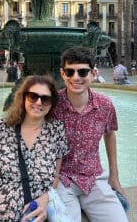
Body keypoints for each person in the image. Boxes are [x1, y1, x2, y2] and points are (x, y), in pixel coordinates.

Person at [0, 75, 68, 221]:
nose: (39, 102)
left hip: (31, 217)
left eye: (45, 99)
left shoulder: (56, 131)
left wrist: (45, 198)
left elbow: (56, 176)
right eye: (33, 96)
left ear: (51, 103)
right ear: (23, 98)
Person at [50, 46, 129, 222]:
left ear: (93, 74)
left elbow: (110, 135)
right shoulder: (52, 104)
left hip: (94, 177)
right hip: (62, 179)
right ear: (62, 74)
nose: (76, 78)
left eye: (83, 72)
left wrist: (114, 177)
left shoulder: (105, 105)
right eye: (70, 72)